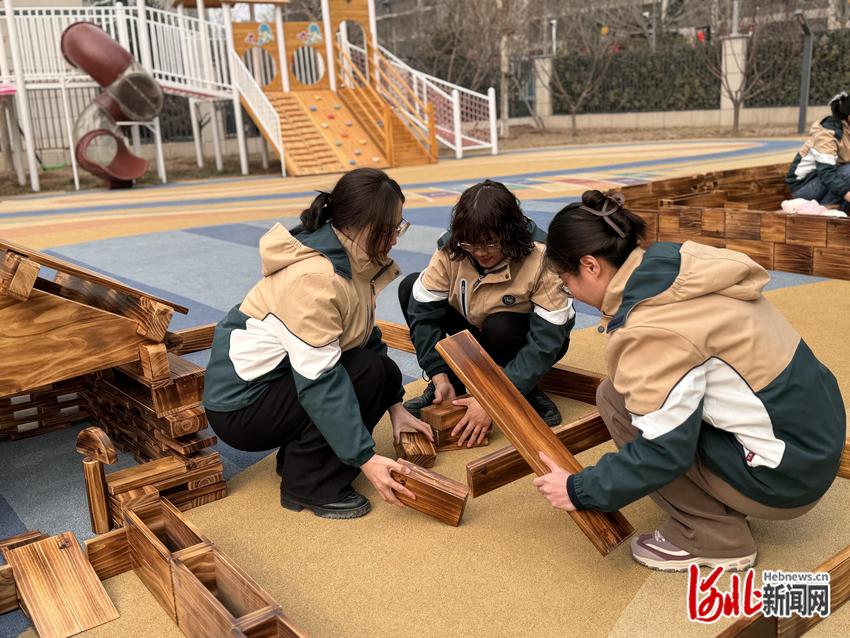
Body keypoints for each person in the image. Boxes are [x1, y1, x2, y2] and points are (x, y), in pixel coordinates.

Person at [534, 190, 846, 572]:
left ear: (591, 265)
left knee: (619, 404)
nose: (573, 296)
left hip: (787, 478)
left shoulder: (652, 328)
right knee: (618, 390)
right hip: (814, 442)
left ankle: (714, 537)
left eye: (567, 283)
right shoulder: (675, 267)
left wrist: (579, 489)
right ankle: (726, 498)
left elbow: (662, 452)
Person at [203, 168, 433, 520]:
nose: (396, 239)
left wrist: (396, 408)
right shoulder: (314, 280)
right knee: (361, 374)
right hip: (241, 407)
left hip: (274, 388)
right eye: (389, 229)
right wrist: (366, 459)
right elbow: (320, 381)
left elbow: (363, 335)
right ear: (359, 226)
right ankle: (308, 484)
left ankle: (299, 456)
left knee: (379, 369)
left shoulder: (350, 259)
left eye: (400, 227)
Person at [398, 180, 574, 446]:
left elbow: (546, 341)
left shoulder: (542, 257)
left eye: (491, 244)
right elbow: (424, 316)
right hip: (473, 331)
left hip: (518, 339)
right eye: (471, 244)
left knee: (501, 325)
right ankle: (451, 385)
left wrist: (494, 399)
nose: (480, 252)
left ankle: (524, 388)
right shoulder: (453, 249)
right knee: (410, 287)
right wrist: (438, 372)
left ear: (510, 234)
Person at [786, 91, 850, 208]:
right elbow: (826, 173)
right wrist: (847, 194)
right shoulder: (829, 132)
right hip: (803, 187)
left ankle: (840, 212)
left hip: (827, 182)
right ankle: (823, 209)